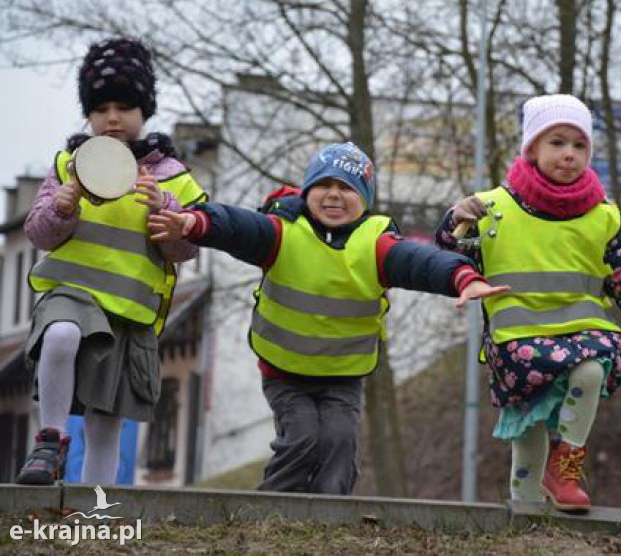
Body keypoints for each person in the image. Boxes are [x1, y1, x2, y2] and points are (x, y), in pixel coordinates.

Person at [149, 142, 508, 495]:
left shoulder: (376, 244)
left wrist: (463, 277)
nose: (333, 195)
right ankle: (272, 508)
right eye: (324, 185)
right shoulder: (281, 232)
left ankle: (329, 515)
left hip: (343, 375)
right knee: (302, 435)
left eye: (347, 188)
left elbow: (421, 262)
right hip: (285, 370)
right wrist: (193, 223)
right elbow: (235, 225)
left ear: (364, 200)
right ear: (307, 192)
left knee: (339, 441)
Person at [436, 94, 621, 513]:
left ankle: (566, 463)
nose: (569, 154)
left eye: (579, 145)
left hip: (583, 332)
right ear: (531, 149)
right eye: (557, 143)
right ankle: (526, 519)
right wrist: (453, 222)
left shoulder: (602, 215)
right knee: (527, 443)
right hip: (518, 341)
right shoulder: (493, 209)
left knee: (591, 368)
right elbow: (444, 261)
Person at [17, 37, 207, 486]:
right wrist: (62, 208)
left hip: (129, 313)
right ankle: (50, 439)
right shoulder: (67, 164)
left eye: (124, 106)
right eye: (101, 107)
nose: (113, 117)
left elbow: (190, 245)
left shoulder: (172, 176)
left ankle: (97, 519)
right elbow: (36, 233)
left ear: (145, 111)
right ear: (89, 113)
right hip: (70, 294)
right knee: (60, 335)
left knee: (105, 427)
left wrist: (168, 216)